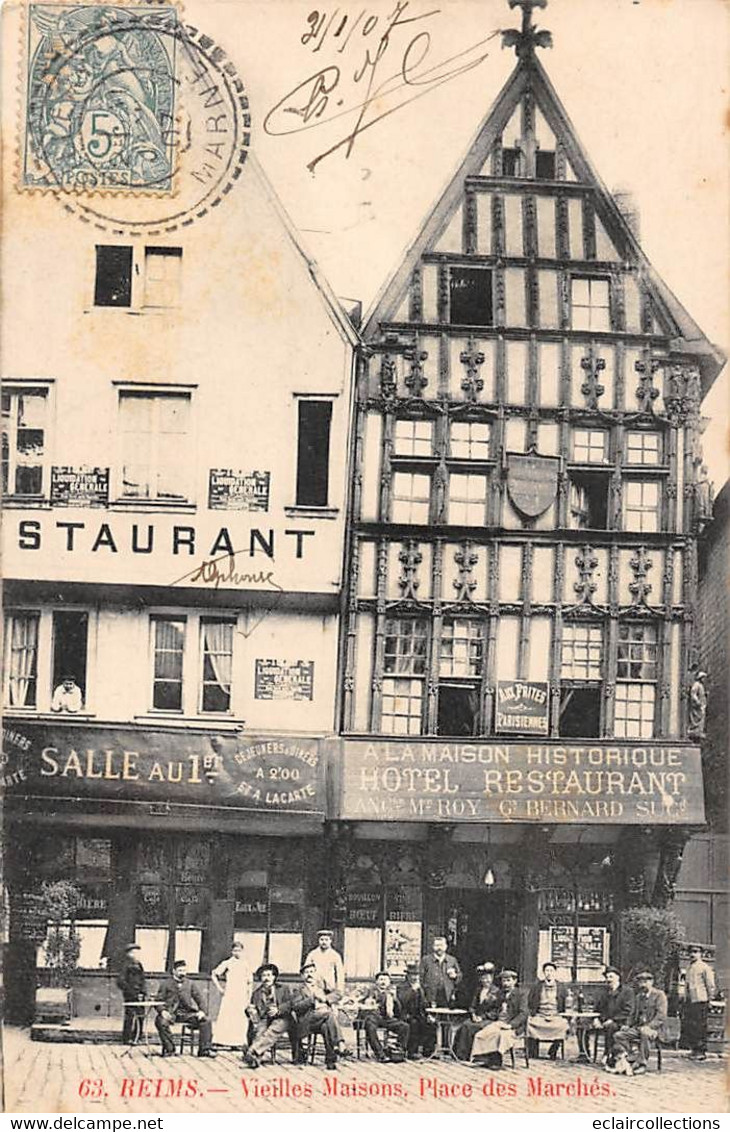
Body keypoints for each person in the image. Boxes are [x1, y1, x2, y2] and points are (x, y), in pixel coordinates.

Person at [454, 962, 514, 1068]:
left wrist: (482, 1017)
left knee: (478, 1027)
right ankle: (463, 1055)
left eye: (488, 978)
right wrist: (473, 1014)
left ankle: (480, 1055)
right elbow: (472, 1005)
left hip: (489, 1018)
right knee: (466, 1025)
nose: (486, 981)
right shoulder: (478, 990)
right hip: (477, 1016)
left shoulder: (497, 992)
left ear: (491, 979)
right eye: (483, 978)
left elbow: (496, 1011)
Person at [155, 959, 216, 1058]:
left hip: (186, 1014)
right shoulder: (165, 984)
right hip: (170, 1013)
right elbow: (158, 1001)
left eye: (184, 971)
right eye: (180, 971)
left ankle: (204, 1050)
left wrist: (202, 1011)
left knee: (206, 1021)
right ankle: (170, 1049)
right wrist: (162, 1011)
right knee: (161, 1022)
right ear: (174, 971)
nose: (182, 973)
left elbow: (200, 999)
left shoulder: (190, 983)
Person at [304, 929, 350, 1056]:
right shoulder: (312, 955)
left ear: (330, 941)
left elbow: (340, 976)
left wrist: (336, 993)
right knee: (329, 1017)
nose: (324, 942)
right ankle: (339, 1045)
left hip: (330, 992)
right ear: (318, 941)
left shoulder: (335, 956)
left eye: (326, 940)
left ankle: (335, 1048)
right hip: (315, 991)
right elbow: (306, 973)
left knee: (332, 1014)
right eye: (321, 939)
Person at [612, 970, 667, 1076]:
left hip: (655, 1029)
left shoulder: (659, 995)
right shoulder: (638, 997)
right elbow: (632, 1014)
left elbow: (661, 1016)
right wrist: (627, 1025)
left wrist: (649, 1027)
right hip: (639, 1028)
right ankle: (633, 1056)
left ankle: (642, 1064)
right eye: (640, 982)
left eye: (645, 982)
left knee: (645, 1033)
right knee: (619, 1035)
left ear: (651, 982)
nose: (642, 985)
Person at [243, 963, 298, 1068]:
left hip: (283, 1018)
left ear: (274, 977)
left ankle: (251, 1051)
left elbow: (291, 1004)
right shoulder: (257, 993)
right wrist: (250, 1010)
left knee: (272, 1030)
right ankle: (255, 1060)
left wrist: (278, 1010)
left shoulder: (283, 988)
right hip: (264, 1018)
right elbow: (252, 1009)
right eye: (264, 976)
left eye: (269, 975)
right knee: (259, 1032)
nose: (266, 978)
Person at [292, 959, 339, 1071]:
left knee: (326, 1027)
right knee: (329, 1014)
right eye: (307, 972)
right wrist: (312, 999)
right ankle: (339, 1044)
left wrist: (326, 999)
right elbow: (296, 1007)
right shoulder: (298, 990)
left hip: (320, 1021)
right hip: (307, 1021)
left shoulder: (322, 988)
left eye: (312, 972)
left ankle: (330, 1060)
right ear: (302, 976)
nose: (310, 975)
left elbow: (338, 994)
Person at [360, 971, 409, 1063]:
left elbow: (399, 1011)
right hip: (373, 1017)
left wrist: (395, 999)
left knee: (404, 1026)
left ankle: (398, 1052)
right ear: (376, 982)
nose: (383, 982)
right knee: (370, 1025)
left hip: (387, 1019)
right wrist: (368, 1002)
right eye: (381, 979)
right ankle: (380, 1054)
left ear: (389, 982)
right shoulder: (370, 991)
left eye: (385, 980)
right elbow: (360, 1001)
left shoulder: (391, 993)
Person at [211, 940, 253, 1048]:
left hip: (242, 994)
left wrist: (249, 997)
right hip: (230, 993)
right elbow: (214, 974)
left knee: (240, 1017)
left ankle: (238, 1042)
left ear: (243, 951)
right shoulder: (228, 963)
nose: (237, 953)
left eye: (239, 950)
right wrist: (220, 988)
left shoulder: (246, 964)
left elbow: (250, 982)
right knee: (227, 1016)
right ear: (231, 951)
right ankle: (223, 1040)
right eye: (235, 950)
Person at [526, 961, 569, 1059]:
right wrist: (533, 1012)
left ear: (555, 972)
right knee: (531, 1024)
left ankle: (553, 1049)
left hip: (555, 1015)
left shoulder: (561, 987)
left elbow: (566, 1002)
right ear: (544, 972)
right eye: (547, 971)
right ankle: (533, 1051)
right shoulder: (537, 986)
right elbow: (530, 1001)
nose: (549, 973)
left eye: (551, 970)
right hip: (540, 1015)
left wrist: (561, 1013)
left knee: (563, 1025)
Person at [594, 967, 635, 1069]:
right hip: (606, 1021)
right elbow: (599, 1008)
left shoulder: (627, 991)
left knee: (611, 1027)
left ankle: (608, 1054)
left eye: (611, 976)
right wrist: (597, 1019)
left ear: (618, 977)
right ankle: (583, 1054)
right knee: (582, 1024)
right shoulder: (605, 992)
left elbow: (628, 1010)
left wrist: (613, 1019)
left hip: (622, 1022)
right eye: (607, 977)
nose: (609, 979)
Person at [396, 963, 436, 1058]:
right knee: (414, 1024)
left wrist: (429, 1014)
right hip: (406, 1014)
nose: (414, 977)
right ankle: (412, 1051)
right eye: (412, 975)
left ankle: (428, 1051)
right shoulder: (402, 986)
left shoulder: (421, 987)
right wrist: (412, 990)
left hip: (420, 1014)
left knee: (431, 1024)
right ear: (408, 975)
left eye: (416, 975)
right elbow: (403, 1001)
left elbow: (424, 1003)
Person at [684, 945, 716, 1061]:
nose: (693, 954)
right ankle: (694, 1049)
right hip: (691, 1000)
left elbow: (710, 985)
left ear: (701, 954)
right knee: (692, 1025)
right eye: (691, 952)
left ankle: (701, 1051)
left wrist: (710, 999)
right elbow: (687, 985)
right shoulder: (689, 968)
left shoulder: (704, 967)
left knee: (700, 1026)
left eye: (696, 952)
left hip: (701, 1000)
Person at [116, 942, 146, 1044]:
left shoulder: (139, 964)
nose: (138, 955)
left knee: (140, 1015)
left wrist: (143, 992)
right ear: (130, 953)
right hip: (130, 994)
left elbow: (142, 979)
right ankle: (127, 1037)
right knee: (130, 1016)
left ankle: (138, 1036)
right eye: (135, 952)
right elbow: (120, 981)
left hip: (140, 994)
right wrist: (130, 991)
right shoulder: (125, 965)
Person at [420, 936, 463, 1007]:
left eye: (442, 945)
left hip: (447, 995)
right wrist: (424, 994)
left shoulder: (452, 960)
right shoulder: (426, 960)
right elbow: (421, 978)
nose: (439, 948)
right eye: (437, 945)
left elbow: (460, 976)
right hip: (431, 995)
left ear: (446, 947)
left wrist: (455, 976)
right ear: (433, 946)